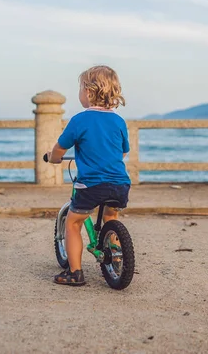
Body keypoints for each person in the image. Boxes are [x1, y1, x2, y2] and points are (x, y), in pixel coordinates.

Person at [45, 65, 131, 286]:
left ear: (89, 92)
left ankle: (75, 273)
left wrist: (53, 158)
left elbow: (60, 149)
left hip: (91, 185)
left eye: (80, 89)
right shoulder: (118, 121)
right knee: (110, 217)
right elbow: (122, 151)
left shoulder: (79, 120)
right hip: (120, 183)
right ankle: (115, 255)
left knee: (74, 223)